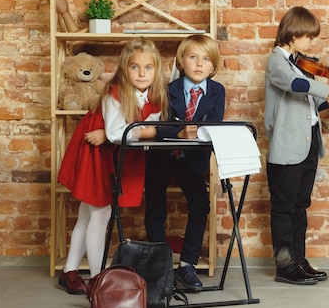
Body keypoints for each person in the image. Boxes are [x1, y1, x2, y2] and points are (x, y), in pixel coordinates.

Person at [57, 37, 168, 294]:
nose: (141, 73)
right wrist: (145, 133)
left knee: (88, 213)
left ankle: (69, 270)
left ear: (156, 70)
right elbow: (119, 133)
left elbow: (150, 125)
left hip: (111, 151)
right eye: (135, 67)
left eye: (148, 68)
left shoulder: (154, 96)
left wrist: (145, 131)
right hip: (95, 151)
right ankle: (98, 278)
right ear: (124, 68)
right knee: (100, 214)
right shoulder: (114, 92)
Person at [265, 6, 329, 285]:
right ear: (295, 34)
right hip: (286, 149)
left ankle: (298, 260)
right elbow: (294, 84)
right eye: (309, 37)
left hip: (307, 146)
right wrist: (325, 87)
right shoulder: (277, 63)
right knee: (284, 210)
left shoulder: (300, 66)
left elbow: (314, 104)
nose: (312, 43)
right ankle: (285, 266)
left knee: (299, 207)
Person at [144, 34, 225, 291]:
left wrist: (196, 134)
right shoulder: (168, 90)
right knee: (155, 207)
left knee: (200, 205)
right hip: (162, 155)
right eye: (193, 57)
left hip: (191, 159)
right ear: (181, 62)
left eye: (206, 59)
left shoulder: (217, 92)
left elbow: (214, 125)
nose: (199, 64)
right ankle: (161, 267)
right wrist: (177, 133)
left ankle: (187, 265)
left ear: (213, 66)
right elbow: (156, 125)